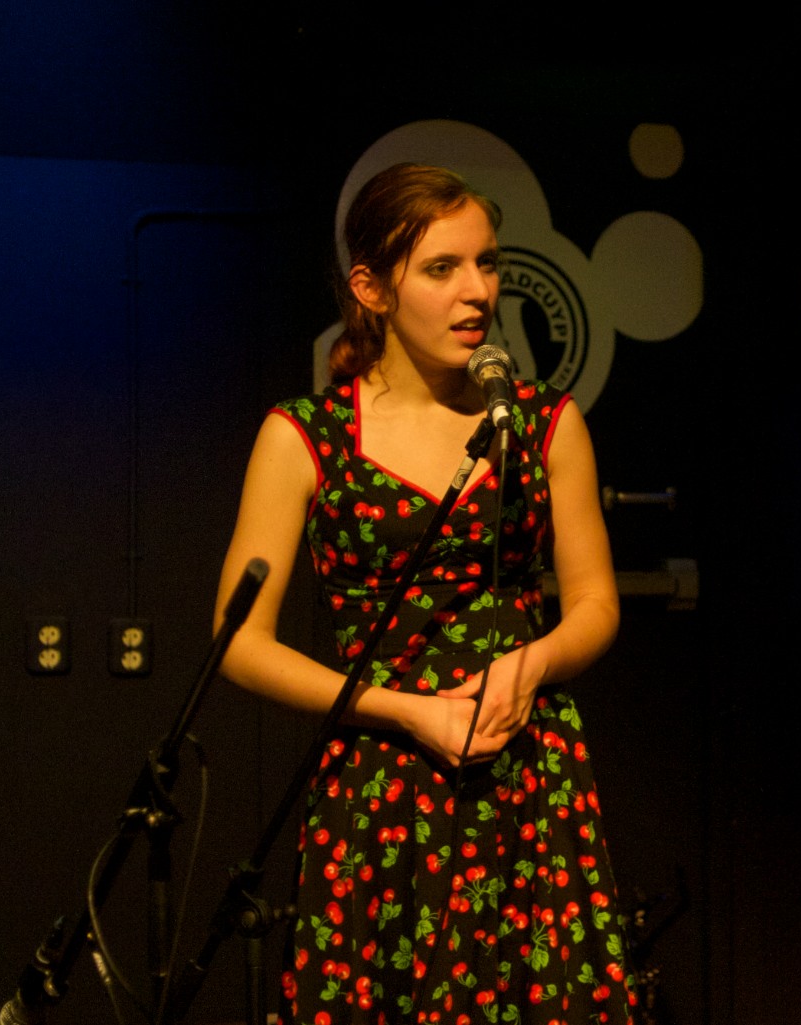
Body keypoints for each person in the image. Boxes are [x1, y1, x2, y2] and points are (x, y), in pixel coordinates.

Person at [215, 163, 637, 1024]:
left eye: (487, 263)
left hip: (523, 769)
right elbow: (240, 643)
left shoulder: (543, 422)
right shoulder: (305, 435)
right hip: (379, 778)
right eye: (442, 268)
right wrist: (404, 711)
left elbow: (596, 604)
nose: (476, 290)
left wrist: (532, 663)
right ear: (370, 288)